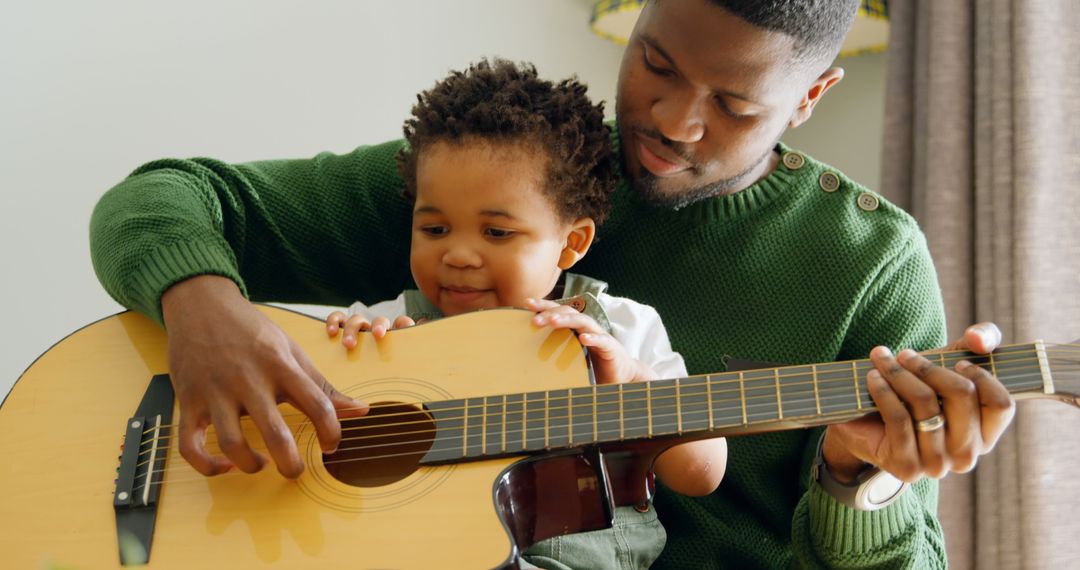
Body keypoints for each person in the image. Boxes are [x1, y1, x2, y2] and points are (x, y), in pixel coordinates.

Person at [88, 0, 1016, 567]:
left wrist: (861, 479)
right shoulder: (509, 174)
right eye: (656, 62)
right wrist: (203, 306)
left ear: (811, 98)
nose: (676, 120)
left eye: (735, 105)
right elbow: (163, 198)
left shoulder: (869, 264)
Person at [321, 58, 727, 568]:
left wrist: (628, 378)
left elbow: (702, 473)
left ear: (570, 243)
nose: (459, 255)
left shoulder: (621, 326)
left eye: (496, 233)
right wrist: (346, 365)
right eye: (435, 229)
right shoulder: (391, 321)